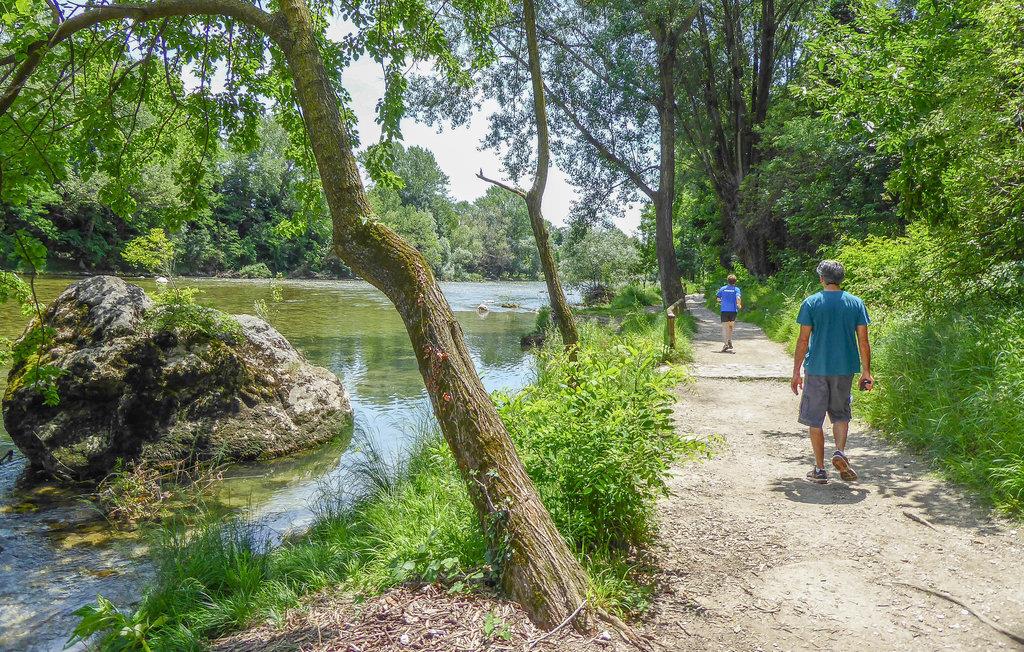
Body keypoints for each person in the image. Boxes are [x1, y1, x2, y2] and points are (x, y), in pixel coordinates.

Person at [791, 260, 873, 484]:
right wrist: (866, 371)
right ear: (841, 279)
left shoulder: (811, 302)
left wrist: (796, 371)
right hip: (844, 368)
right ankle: (839, 452)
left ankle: (819, 470)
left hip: (817, 368)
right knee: (841, 414)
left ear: (821, 278)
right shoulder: (856, 303)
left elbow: (803, 340)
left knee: (815, 420)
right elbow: (863, 341)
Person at [716, 274, 742, 352]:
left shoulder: (723, 288)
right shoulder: (736, 289)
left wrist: (721, 301)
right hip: (733, 311)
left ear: (727, 281)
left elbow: (718, 298)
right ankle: (729, 340)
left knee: (725, 328)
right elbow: (738, 297)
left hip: (724, 310)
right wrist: (739, 304)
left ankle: (726, 344)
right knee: (730, 326)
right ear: (735, 281)